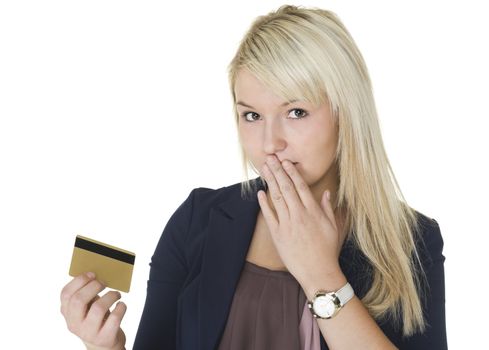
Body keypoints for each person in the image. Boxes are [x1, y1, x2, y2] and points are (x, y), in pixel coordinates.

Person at [60, 4, 447, 350]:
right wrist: (105, 347)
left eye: (296, 112)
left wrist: (320, 274)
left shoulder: (411, 240)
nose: (269, 143)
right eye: (252, 115)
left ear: (346, 113)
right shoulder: (198, 219)